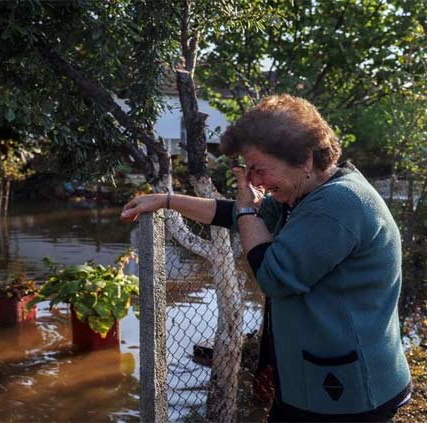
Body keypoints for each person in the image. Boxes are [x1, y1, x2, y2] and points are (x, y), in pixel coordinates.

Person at [121, 95, 411, 421]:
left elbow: (274, 276)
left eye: (259, 169)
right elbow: (234, 214)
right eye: (249, 171)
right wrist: (167, 200)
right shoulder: (307, 193)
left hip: (350, 391)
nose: (254, 181)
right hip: (316, 380)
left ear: (304, 160)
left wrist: (247, 209)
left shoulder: (338, 204)